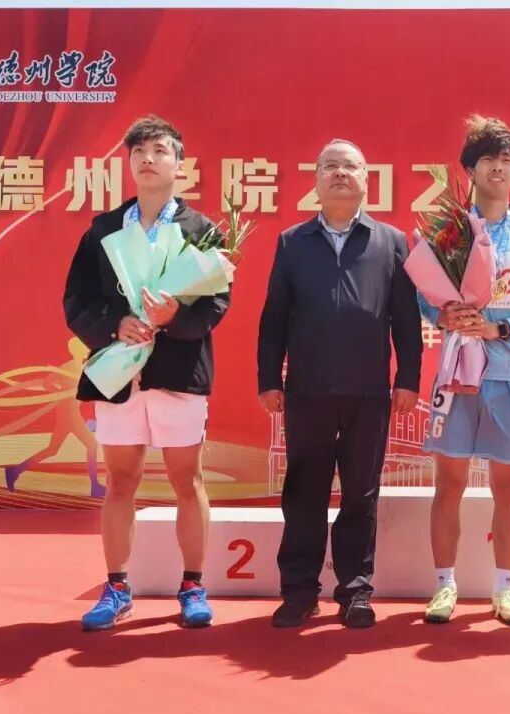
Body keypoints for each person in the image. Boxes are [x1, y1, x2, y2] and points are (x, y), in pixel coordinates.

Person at [63, 115, 229, 631]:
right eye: (138, 152)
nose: (148, 159)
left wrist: (173, 316)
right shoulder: (104, 229)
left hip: (179, 372)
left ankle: (193, 586)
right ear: (129, 163)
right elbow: (77, 300)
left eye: (159, 151)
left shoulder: (202, 231)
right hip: (120, 374)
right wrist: (116, 324)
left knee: (187, 480)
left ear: (180, 164)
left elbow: (216, 303)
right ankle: (117, 588)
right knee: (121, 481)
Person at [257, 138, 422, 629]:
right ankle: (299, 590)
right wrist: (269, 378)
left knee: (360, 494)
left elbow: (405, 320)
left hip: (368, 390)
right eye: (329, 166)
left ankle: (355, 591)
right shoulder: (293, 242)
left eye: (349, 166)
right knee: (303, 492)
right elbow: (274, 318)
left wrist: (408, 379)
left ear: (367, 179)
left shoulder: (391, 242)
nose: (339, 173)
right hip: (306, 389)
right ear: (316, 181)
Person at [419, 116, 510, 626]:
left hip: (508, 375)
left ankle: (505, 590)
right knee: (448, 484)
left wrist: (503, 328)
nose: (497, 168)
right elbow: (421, 295)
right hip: (457, 373)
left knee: (507, 489)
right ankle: (444, 586)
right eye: (487, 160)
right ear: (470, 171)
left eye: (506, 161)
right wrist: (443, 315)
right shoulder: (449, 233)